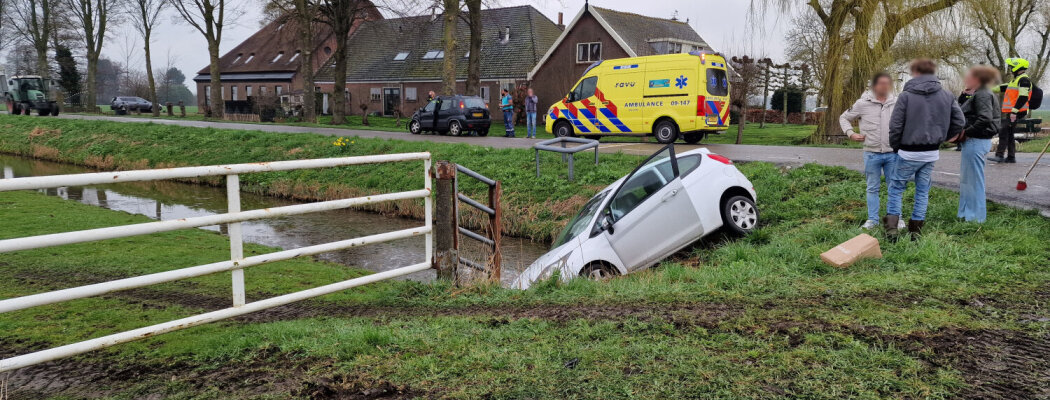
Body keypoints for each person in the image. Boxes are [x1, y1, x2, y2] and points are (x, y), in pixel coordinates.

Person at [885, 59, 965, 240]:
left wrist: (896, 146)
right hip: (931, 152)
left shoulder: (905, 96)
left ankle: (892, 231)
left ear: (916, 74)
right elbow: (960, 122)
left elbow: (895, 126)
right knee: (922, 190)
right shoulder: (947, 95)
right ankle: (915, 232)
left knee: (896, 188)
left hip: (907, 151)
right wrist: (943, 137)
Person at [839, 72, 899, 230]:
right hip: (871, 153)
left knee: (894, 186)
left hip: (893, 153)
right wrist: (850, 133)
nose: (885, 86)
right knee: (872, 187)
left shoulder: (897, 102)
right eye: (881, 83)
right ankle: (873, 220)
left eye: (887, 83)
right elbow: (844, 117)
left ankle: (895, 219)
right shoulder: (862, 103)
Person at [952, 65, 1001, 223]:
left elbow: (985, 118)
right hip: (974, 140)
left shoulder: (983, 94)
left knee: (974, 181)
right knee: (967, 180)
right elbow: (961, 110)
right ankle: (966, 214)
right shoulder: (977, 93)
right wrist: (964, 94)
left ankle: (976, 218)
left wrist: (966, 133)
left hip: (977, 140)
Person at [989, 58, 1033, 164]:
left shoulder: (1024, 80)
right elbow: (1002, 87)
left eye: (1012, 67)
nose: (1011, 69)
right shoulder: (1016, 80)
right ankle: (1011, 157)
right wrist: (988, 89)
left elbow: (1023, 97)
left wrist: (1014, 111)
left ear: (1018, 67)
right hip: (1013, 112)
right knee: (1009, 133)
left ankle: (999, 155)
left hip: (1016, 112)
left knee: (1004, 130)